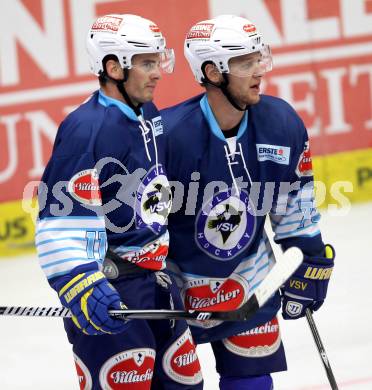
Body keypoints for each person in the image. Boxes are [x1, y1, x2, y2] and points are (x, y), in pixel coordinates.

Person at [162, 15, 335, 390]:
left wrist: (310, 258)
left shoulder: (282, 122)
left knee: (252, 382)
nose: (259, 70)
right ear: (212, 71)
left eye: (259, 58)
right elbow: (145, 229)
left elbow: (294, 207)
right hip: (178, 294)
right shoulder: (168, 138)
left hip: (249, 284)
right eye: (245, 62)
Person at [35, 14, 203, 389]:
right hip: (113, 291)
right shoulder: (87, 129)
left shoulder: (148, 114)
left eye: (158, 61)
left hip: (157, 285)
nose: (158, 72)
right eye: (147, 63)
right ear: (113, 67)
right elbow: (58, 218)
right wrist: (80, 283)